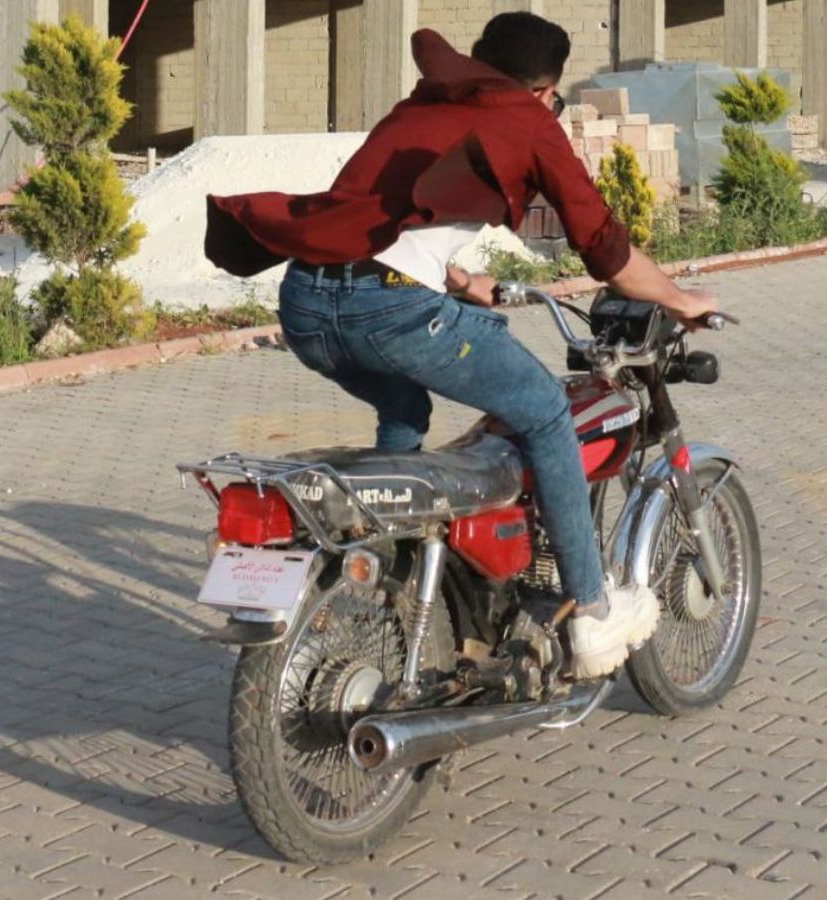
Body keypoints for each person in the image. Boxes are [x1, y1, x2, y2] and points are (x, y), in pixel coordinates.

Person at [204, 13, 718, 678]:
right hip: (388, 310)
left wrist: (455, 276)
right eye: (556, 99)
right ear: (543, 89)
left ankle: (384, 579)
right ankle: (591, 613)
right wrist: (680, 299)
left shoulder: (421, 104)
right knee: (543, 410)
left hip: (307, 304)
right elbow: (606, 251)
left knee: (405, 413)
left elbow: (377, 209)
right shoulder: (528, 118)